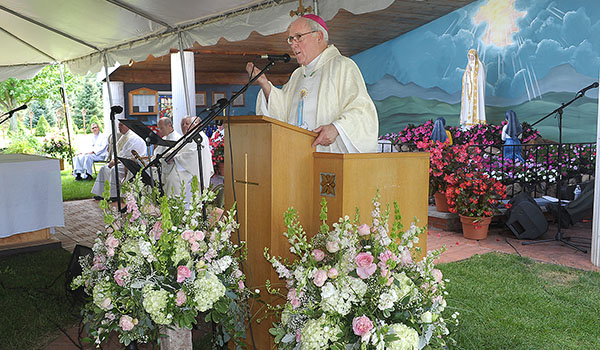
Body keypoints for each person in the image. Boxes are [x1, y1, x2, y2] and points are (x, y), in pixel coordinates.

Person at [245, 14, 378, 153]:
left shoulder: (342, 66)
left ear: (319, 37)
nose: (293, 44)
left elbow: (363, 110)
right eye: (291, 39)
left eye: (299, 37)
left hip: (329, 156)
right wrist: (265, 84)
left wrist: (336, 128)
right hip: (297, 155)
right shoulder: (297, 75)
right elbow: (283, 111)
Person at [157, 116, 213, 198]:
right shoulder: (187, 137)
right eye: (182, 124)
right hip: (183, 168)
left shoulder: (200, 137)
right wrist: (167, 155)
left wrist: (175, 158)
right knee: (169, 180)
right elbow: (176, 149)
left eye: (187, 124)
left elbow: (193, 155)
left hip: (191, 171)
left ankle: (179, 209)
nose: (184, 126)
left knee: (173, 181)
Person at [91, 120, 147, 199]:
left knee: (115, 170)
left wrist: (116, 161)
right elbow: (120, 152)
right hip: (122, 161)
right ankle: (102, 193)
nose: (119, 127)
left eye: (121, 125)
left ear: (128, 126)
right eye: (119, 125)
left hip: (131, 164)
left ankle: (114, 195)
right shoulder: (124, 137)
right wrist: (113, 160)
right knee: (103, 168)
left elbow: (129, 155)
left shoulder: (134, 138)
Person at [460, 49, 486, 130]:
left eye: (472, 56)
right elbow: (464, 78)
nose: (471, 58)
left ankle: (477, 121)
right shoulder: (468, 65)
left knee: (476, 105)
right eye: (469, 56)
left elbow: (480, 79)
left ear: (475, 56)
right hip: (469, 90)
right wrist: (467, 73)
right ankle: (467, 122)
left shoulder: (479, 65)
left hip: (476, 91)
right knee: (468, 105)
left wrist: (472, 74)